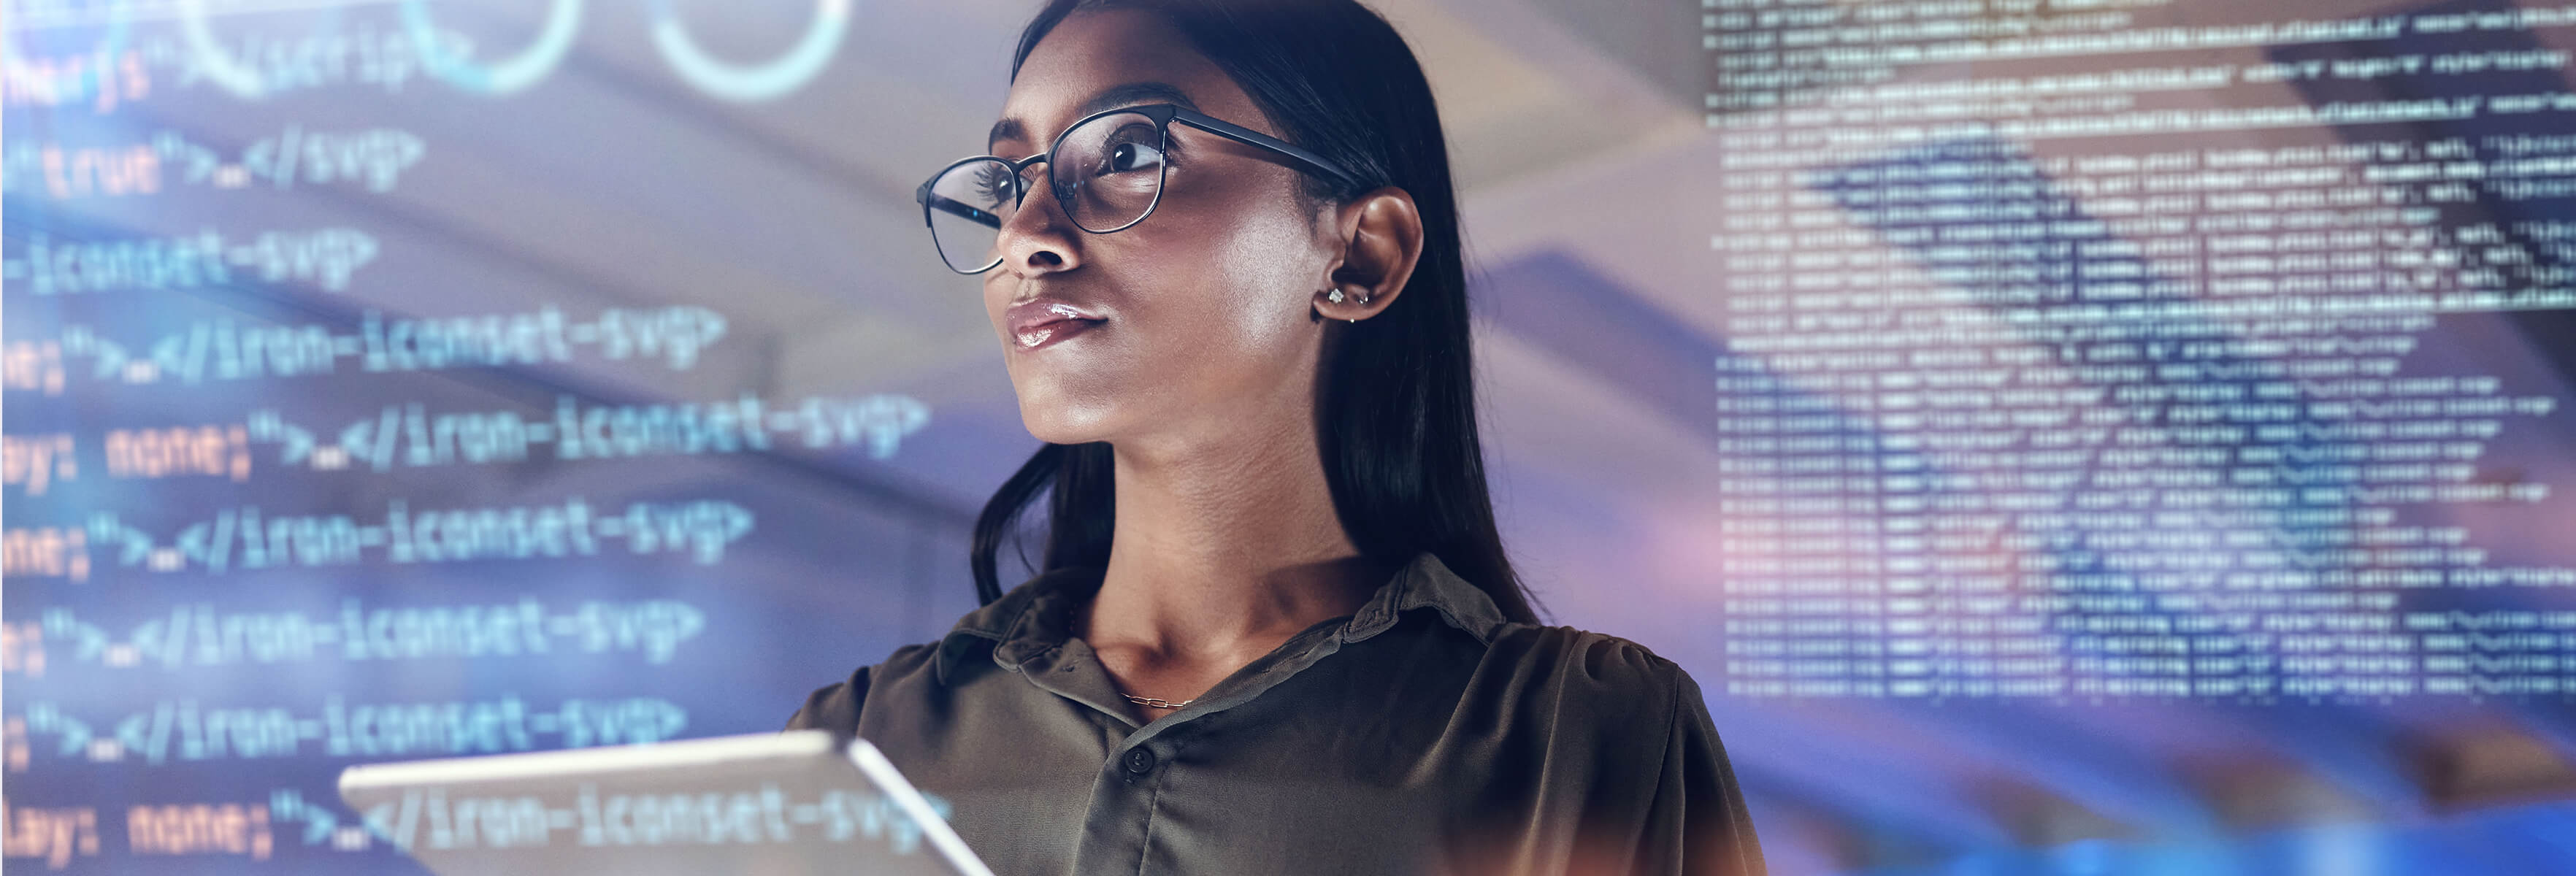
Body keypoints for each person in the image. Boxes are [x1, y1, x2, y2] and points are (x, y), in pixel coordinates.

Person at [788, 1, 1765, 872]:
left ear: (1361, 253)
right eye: (1009, 183)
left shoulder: (1576, 737)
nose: (1025, 233)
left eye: (1127, 155)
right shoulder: (860, 742)